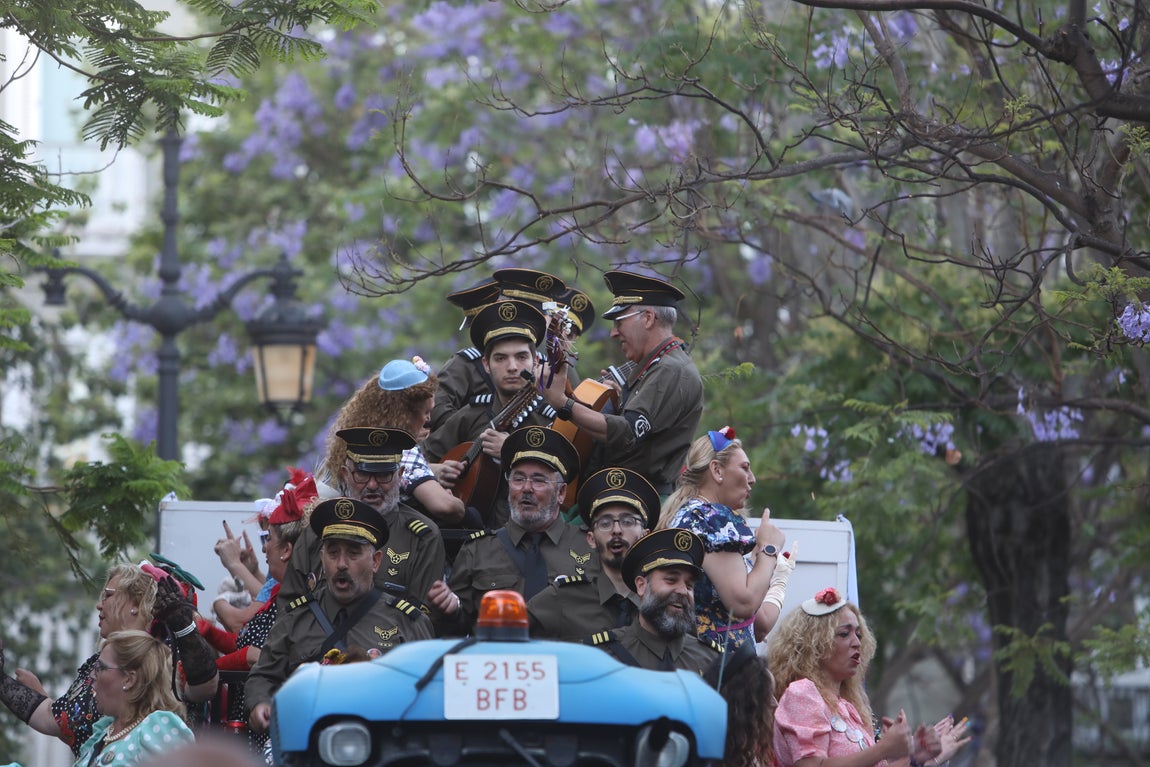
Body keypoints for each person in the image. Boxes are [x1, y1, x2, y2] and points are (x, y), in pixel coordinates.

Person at [246, 497, 435, 734]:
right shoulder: (295, 617)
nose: (342, 564)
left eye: (353, 553)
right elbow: (262, 676)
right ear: (322, 558)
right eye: (333, 553)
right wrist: (260, 703)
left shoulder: (406, 620)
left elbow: (431, 691)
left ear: (376, 561)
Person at [0, 563, 216, 757]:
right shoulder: (99, 661)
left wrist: (183, 627)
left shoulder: (166, 653)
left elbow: (206, 686)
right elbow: (54, 719)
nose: (99, 605)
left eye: (108, 595)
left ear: (136, 602)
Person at [541, 269, 703, 494]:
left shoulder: (670, 369)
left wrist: (563, 404)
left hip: (639, 503)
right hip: (624, 495)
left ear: (647, 318)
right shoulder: (658, 365)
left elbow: (628, 433)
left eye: (619, 322)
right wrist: (618, 404)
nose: (613, 333)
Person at [427, 426, 592, 633]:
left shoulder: (589, 548)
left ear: (561, 492)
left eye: (539, 480)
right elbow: (456, 632)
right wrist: (451, 612)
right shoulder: (478, 550)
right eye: (518, 478)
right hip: (500, 662)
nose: (526, 488)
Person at [768, 588, 948, 767]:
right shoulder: (803, 694)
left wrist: (914, 755)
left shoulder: (849, 707)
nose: (856, 643)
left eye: (859, 635)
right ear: (816, 643)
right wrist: (883, 748)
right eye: (844, 634)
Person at [278, 427, 446, 612]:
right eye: (362, 474)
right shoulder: (318, 530)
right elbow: (288, 610)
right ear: (345, 475)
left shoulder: (422, 536)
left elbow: (422, 621)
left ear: (400, 475)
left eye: (383, 475)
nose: (372, 485)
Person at [424, 299, 557, 527]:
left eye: (521, 357)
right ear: (486, 364)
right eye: (501, 358)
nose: (513, 367)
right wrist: (432, 470)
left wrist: (513, 450)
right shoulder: (471, 414)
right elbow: (415, 459)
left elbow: (568, 482)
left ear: (536, 361)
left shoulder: (552, 420)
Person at [658, 426, 794, 649]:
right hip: (718, 666)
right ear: (717, 471)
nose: (753, 479)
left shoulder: (688, 514)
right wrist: (769, 549)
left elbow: (757, 625)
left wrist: (776, 577)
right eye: (745, 468)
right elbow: (743, 602)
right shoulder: (713, 519)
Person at [320, 357, 467, 526]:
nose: (428, 419)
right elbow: (444, 507)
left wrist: (431, 469)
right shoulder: (401, 449)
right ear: (405, 414)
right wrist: (459, 505)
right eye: (425, 412)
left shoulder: (353, 442)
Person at [526, 467, 656, 640]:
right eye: (605, 523)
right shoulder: (564, 597)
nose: (616, 530)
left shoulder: (660, 601)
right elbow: (505, 641)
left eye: (627, 521)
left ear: (645, 536)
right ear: (591, 539)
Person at [586, 528, 722, 674]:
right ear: (641, 585)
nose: (683, 591)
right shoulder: (603, 655)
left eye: (689, 585)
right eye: (671, 580)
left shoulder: (713, 661)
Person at [706, 641, 778, 767]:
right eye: (767, 697)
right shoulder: (708, 756)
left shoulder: (748, 750)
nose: (775, 704)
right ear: (746, 706)